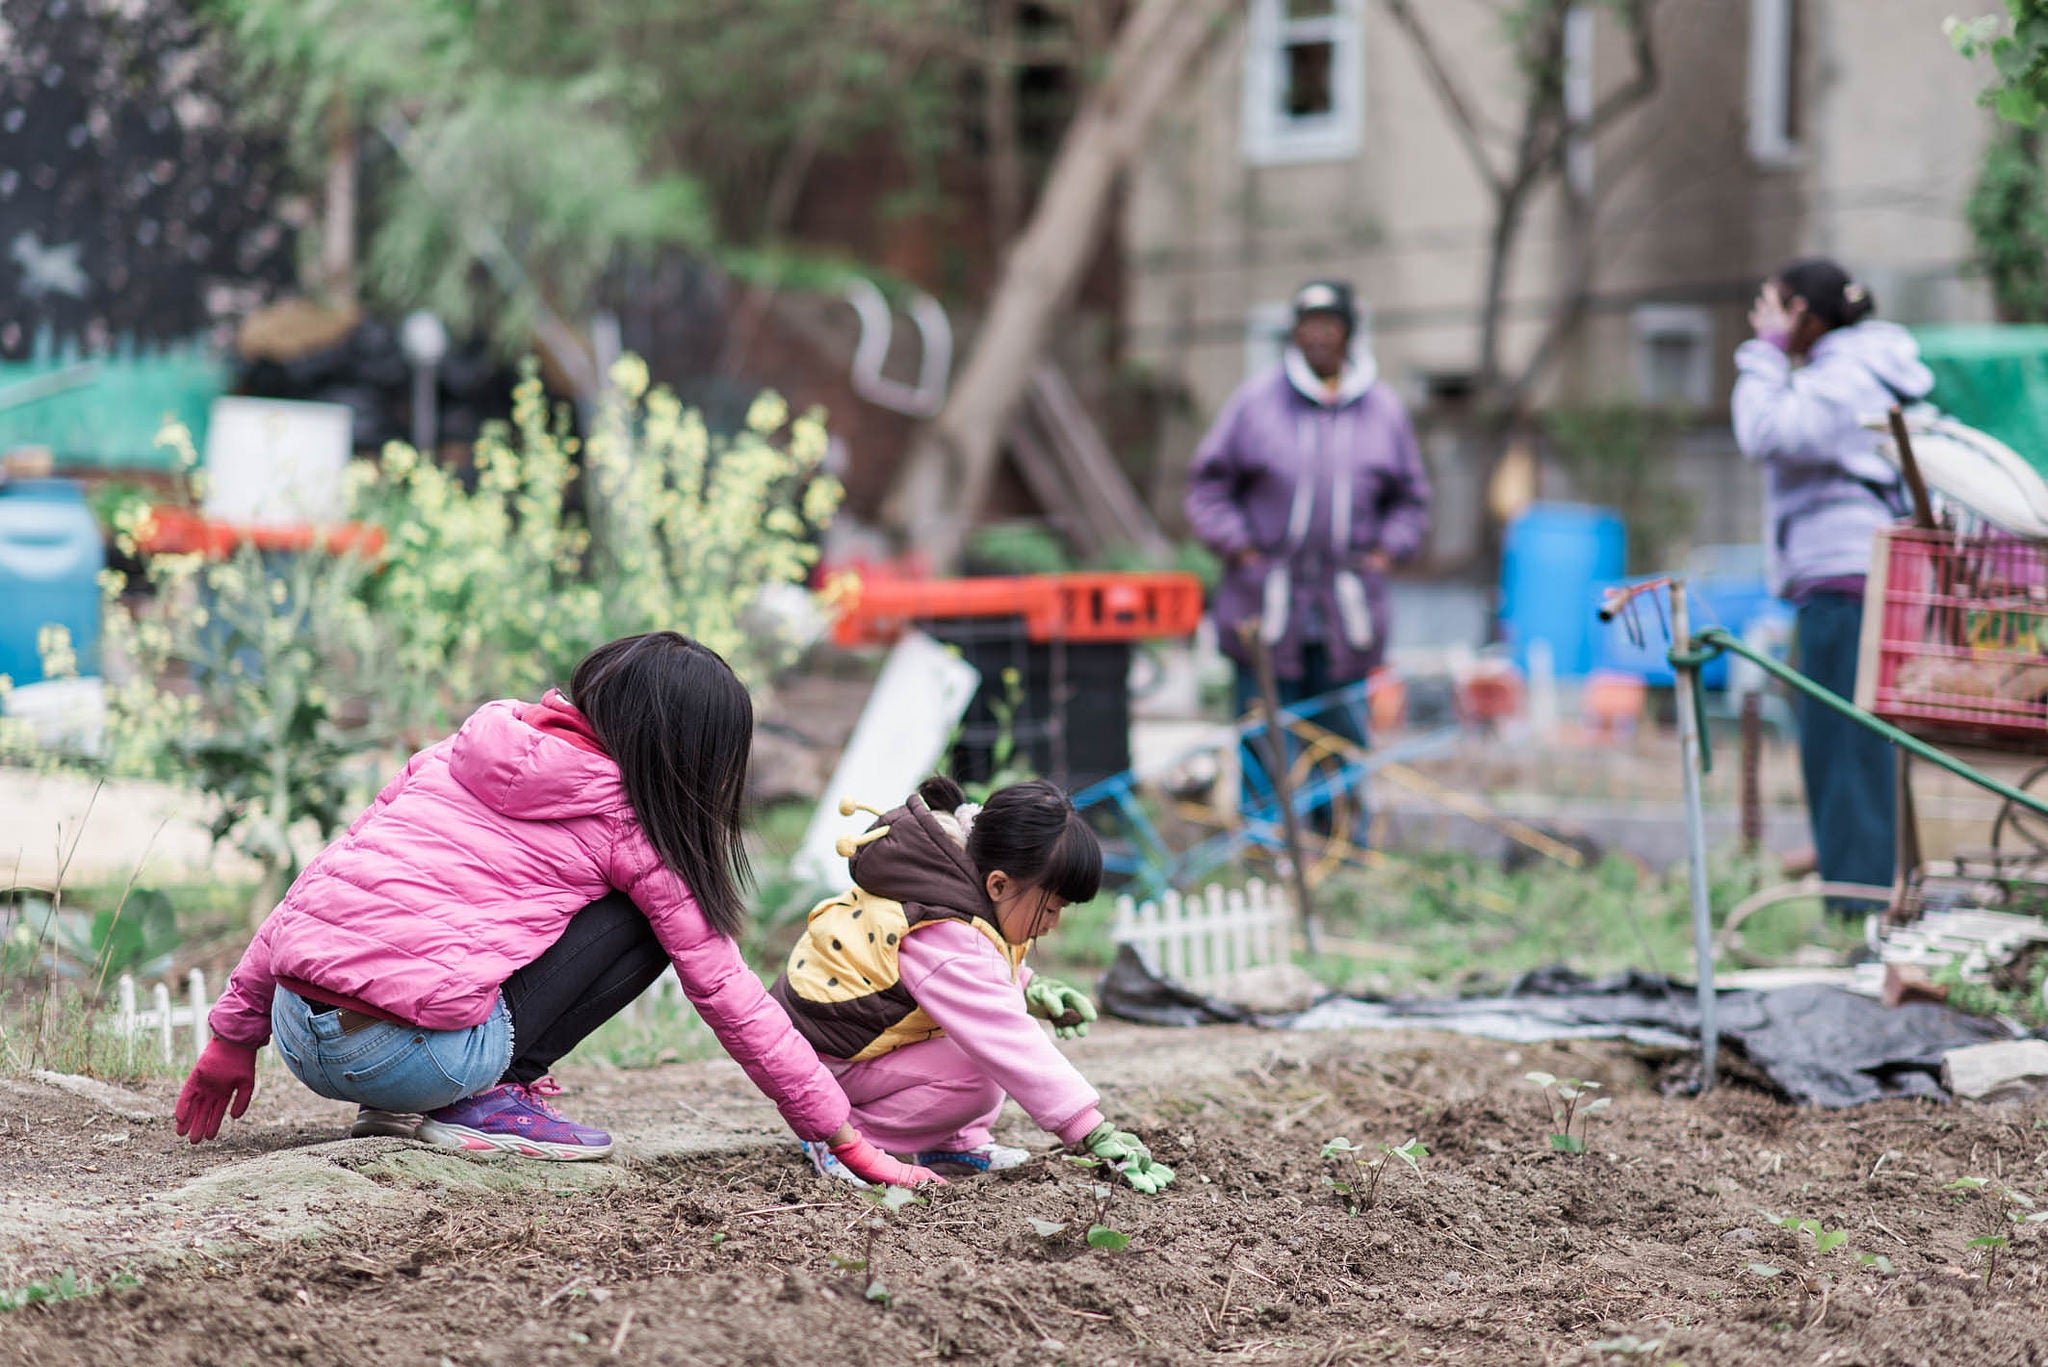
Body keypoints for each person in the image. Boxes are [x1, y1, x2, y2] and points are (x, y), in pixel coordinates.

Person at [173, 631, 939, 1184]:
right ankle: (484, 1100)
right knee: (650, 921)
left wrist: (231, 1039)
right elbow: (728, 992)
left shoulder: (452, 753)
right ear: (689, 754)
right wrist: (841, 1131)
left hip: (299, 1037)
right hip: (414, 1059)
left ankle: (414, 1094)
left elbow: (314, 891)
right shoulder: (630, 825)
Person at [770, 776, 1175, 1192]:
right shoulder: (947, 928)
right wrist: (1089, 1128)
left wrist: (1030, 987)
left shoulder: (947, 887)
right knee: (978, 1072)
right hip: (827, 1061)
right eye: (1052, 908)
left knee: (977, 1044)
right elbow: (1003, 1031)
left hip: (838, 1042)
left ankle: (953, 1144)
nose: (1054, 924)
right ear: (999, 883)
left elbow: (972, 972)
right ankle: (844, 1138)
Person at [1184, 280, 1431, 822]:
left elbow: (1411, 501)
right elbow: (1207, 487)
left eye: (1329, 325)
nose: (1317, 336)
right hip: (1265, 606)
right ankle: (1266, 855)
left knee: (1340, 741)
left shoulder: (1383, 410)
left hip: (1346, 611)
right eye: (1307, 325)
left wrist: (1387, 551)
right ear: (1294, 334)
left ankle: (1343, 855)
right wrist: (1240, 547)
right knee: (1264, 738)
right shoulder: (1255, 404)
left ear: (1348, 333)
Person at [1734, 257, 1932, 909]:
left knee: (1843, 745)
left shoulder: (1840, 376)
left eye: (1772, 305)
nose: (1761, 318)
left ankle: (1859, 901)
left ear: (1805, 317)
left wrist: (1763, 355)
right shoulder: (1861, 369)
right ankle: (1862, 890)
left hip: (1845, 578)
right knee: (1846, 743)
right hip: (1852, 575)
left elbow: (1765, 431)